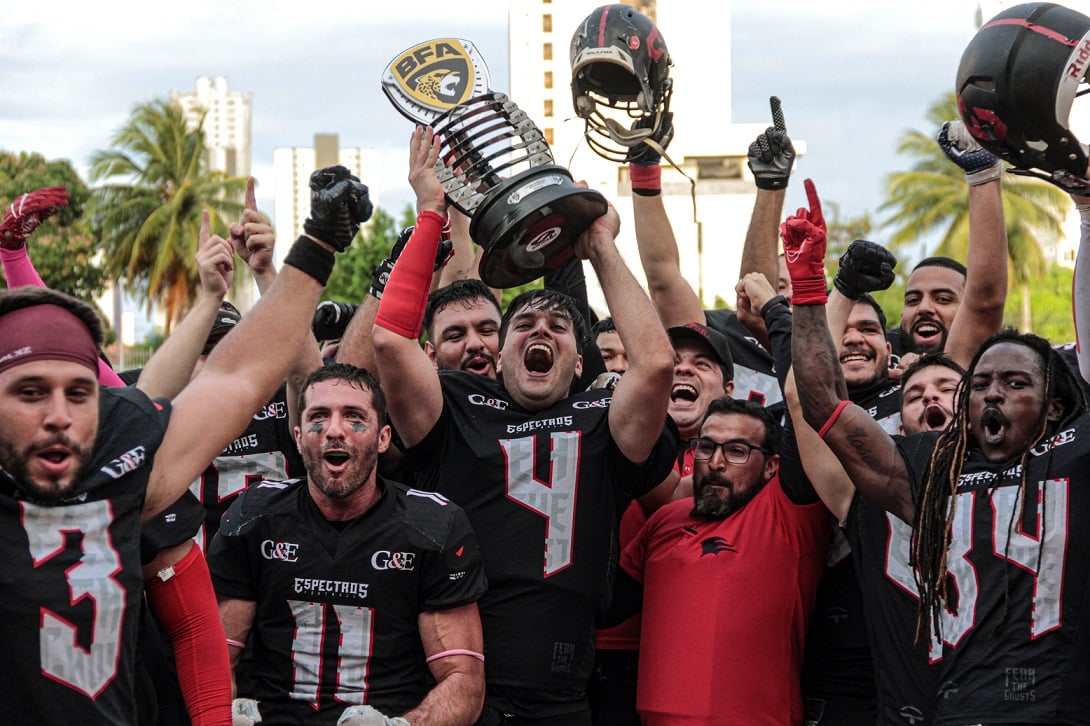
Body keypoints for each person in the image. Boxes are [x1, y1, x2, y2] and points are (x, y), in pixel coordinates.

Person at [0, 165, 365, 724]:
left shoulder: (118, 455)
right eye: (29, 394)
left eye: (79, 394)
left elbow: (239, 376)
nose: (57, 416)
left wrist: (317, 243)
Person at [371, 125, 679, 724]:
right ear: (503, 350)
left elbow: (657, 363)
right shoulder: (458, 404)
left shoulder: (599, 417)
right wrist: (431, 212)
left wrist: (601, 246)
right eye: (525, 323)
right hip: (452, 673)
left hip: (562, 686)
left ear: (578, 360)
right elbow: (390, 340)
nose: (541, 329)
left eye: (559, 327)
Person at [788, 181, 1090, 723]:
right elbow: (823, 406)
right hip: (949, 708)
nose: (993, 392)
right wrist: (810, 291)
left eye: (1016, 383)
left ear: (1054, 407)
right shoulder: (930, 467)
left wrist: (1087, 213)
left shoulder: (1072, 456)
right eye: (981, 383)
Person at [207, 364, 487, 726]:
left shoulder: (431, 524)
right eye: (318, 417)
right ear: (298, 435)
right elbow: (215, 660)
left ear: (383, 437)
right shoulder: (255, 516)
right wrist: (218, 717)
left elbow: (464, 681)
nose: (334, 431)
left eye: (354, 416)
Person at [615, 397, 829, 724]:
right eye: (706, 447)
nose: (716, 462)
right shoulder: (665, 520)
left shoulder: (788, 515)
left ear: (772, 466)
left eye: (737, 451)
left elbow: (804, 399)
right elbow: (608, 608)